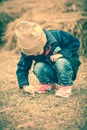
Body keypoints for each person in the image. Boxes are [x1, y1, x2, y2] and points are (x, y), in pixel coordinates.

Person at [15, 20, 81, 97]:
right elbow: (22, 67)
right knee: (38, 66)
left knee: (61, 61)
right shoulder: (28, 51)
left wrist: (62, 54)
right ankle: (47, 83)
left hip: (67, 68)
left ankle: (65, 86)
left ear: (42, 42)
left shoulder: (56, 35)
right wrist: (25, 85)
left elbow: (75, 42)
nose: (35, 55)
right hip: (51, 70)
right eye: (32, 53)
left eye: (37, 51)